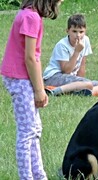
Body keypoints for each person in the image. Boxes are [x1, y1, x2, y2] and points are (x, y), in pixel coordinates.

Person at [0, 0, 63, 179]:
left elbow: (33, 56)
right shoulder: (31, 17)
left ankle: (39, 175)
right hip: (20, 78)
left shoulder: (30, 14)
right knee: (27, 132)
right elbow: (30, 58)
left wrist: (39, 88)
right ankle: (26, 177)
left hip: (22, 77)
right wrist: (39, 90)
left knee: (35, 128)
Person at [43, 14, 98, 96]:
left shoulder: (86, 40)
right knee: (87, 84)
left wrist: (81, 80)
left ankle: (90, 93)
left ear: (85, 31)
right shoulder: (62, 45)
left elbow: (82, 65)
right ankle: (54, 92)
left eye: (81, 32)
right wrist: (77, 51)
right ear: (67, 31)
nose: (78, 35)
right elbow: (66, 71)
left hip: (70, 77)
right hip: (54, 76)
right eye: (74, 31)